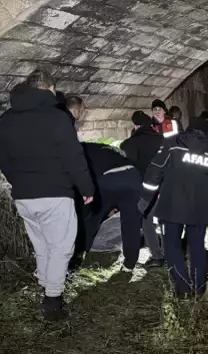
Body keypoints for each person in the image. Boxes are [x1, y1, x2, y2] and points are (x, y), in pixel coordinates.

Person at [0, 69, 94, 320]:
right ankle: (52, 301)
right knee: (61, 247)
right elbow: (73, 156)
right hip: (55, 193)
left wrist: (18, 182)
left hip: (24, 196)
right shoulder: (57, 117)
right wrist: (86, 188)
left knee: (41, 243)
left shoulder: (6, 119)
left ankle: (44, 284)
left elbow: (4, 159)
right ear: (50, 89)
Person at [137, 116, 208, 299]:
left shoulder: (172, 144)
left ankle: (183, 288)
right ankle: (199, 288)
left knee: (171, 248)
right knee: (197, 248)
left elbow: (155, 170)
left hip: (171, 207)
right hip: (199, 210)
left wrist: (144, 201)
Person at [76, 142, 142, 272]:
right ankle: (129, 264)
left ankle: (79, 254)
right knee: (131, 223)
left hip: (109, 178)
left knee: (91, 217)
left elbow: (85, 177)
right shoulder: (106, 148)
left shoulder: (79, 150)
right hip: (133, 176)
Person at [120, 111, 165, 267]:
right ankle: (169, 254)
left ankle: (157, 256)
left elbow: (127, 162)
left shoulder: (131, 143)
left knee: (145, 220)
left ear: (136, 125)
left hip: (146, 189)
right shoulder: (162, 140)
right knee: (165, 221)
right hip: (166, 186)